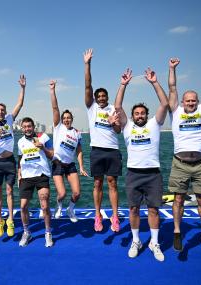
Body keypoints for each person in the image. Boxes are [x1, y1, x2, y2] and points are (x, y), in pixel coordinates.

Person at [115, 68, 169, 262]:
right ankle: (136, 241)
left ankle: (155, 242)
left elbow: (165, 103)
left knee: (153, 209)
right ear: (132, 116)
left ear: (147, 115)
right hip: (133, 174)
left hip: (153, 174)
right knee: (133, 209)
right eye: (136, 113)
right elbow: (118, 106)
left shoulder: (155, 124)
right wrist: (123, 85)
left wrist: (154, 82)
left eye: (142, 113)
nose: (139, 115)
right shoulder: (127, 126)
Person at [168, 54, 201, 255]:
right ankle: (177, 232)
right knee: (178, 199)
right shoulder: (176, 111)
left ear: (197, 102)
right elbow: (172, 88)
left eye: (193, 100)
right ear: (182, 102)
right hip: (179, 163)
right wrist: (172, 69)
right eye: (187, 100)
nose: (190, 103)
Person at [83, 48, 122, 232]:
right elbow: (88, 86)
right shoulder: (92, 108)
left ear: (107, 97)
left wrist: (114, 123)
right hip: (97, 150)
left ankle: (115, 216)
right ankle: (97, 216)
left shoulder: (114, 109)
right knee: (97, 182)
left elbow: (118, 130)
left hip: (112, 149)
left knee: (112, 183)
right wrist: (87, 64)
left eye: (103, 96)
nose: (100, 98)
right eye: (98, 96)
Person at [0, 75, 26, 238]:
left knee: (9, 191)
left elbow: (20, 104)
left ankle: (10, 219)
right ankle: (0, 220)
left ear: (5, 112)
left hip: (10, 161)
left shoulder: (9, 119)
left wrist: (22, 88)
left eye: (3, 110)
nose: (1, 112)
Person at [49, 80, 88, 222]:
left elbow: (79, 151)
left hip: (70, 165)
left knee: (77, 193)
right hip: (58, 164)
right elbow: (55, 108)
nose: (66, 120)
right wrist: (52, 90)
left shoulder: (77, 133)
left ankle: (70, 209)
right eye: (64, 118)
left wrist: (82, 167)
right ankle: (58, 205)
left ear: (72, 119)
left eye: (68, 118)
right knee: (62, 193)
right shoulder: (58, 128)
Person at [17, 117, 54, 247]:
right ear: (22, 128)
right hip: (26, 177)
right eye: (25, 126)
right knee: (23, 206)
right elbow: (20, 159)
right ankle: (27, 232)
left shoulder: (43, 137)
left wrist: (43, 148)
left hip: (42, 175)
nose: (27, 129)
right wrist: (19, 174)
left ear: (33, 127)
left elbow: (52, 155)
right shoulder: (20, 142)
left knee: (44, 205)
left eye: (29, 126)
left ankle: (48, 233)